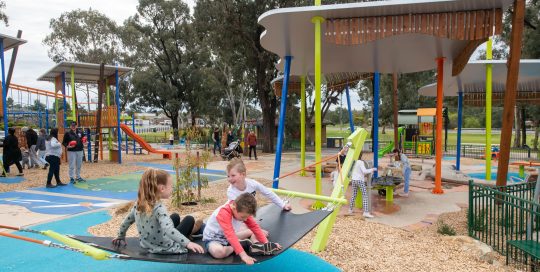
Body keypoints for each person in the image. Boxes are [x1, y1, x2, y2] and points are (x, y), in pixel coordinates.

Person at [113, 168, 204, 255]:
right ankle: (192, 231)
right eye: (171, 186)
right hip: (165, 247)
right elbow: (168, 230)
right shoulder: (159, 208)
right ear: (162, 188)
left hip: (147, 244)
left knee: (175, 216)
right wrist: (188, 244)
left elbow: (127, 221)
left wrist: (121, 235)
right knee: (189, 219)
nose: (172, 189)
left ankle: (191, 232)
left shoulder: (139, 204)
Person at [203, 193, 282, 265]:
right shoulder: (223, 213)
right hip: (213, 240)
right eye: (243, 217)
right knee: (219, 253)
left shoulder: (242, 210)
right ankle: (243, 245)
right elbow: (230, 235)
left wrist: (266, 243)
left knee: (252, 226)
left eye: (247, 217)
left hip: (230, 237)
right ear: (234, 207)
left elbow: (254, 226)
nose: (245, 219)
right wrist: (244, 255)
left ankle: (245, 244)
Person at [226, 158, 291, 211]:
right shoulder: (231, 192)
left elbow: (268, 193)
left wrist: (283, 205)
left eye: (233, 175)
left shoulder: (252, 184)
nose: (229, 179)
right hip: (235, 214)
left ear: (243, 174)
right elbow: (237, 212)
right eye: (228, 176)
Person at [349, 153, 377, 218]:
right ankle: (366, 212)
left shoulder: (353, 162)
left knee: (353, 195)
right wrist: (372, 169)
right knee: (365, 196)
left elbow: (350, 172)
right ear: (360, 155)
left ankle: (350, 209)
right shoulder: (360, 162)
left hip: (353, 180)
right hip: (360, 180)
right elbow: (364, 171)